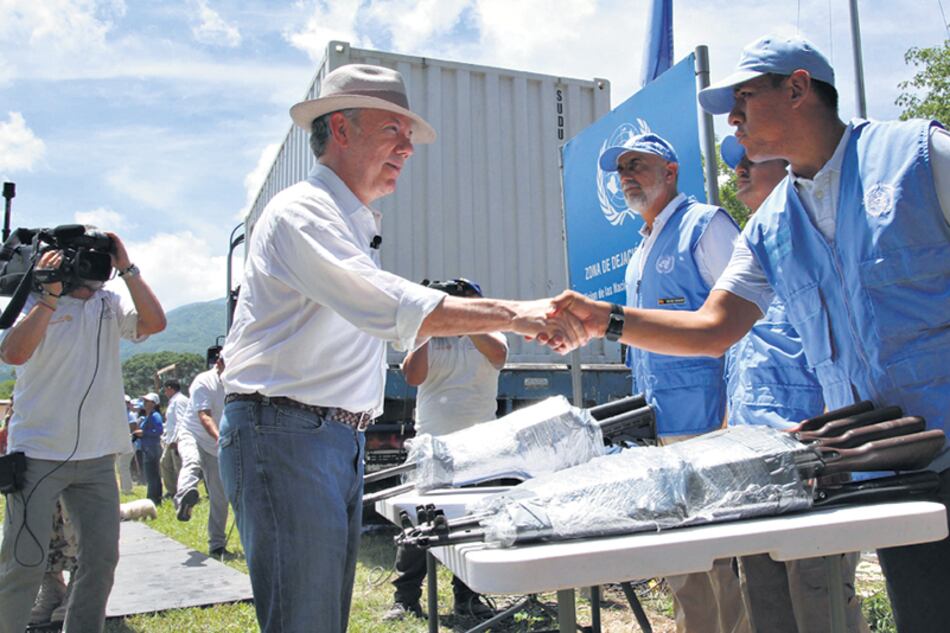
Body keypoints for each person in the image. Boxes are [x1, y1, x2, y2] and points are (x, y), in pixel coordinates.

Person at [550, 34, 950, 633]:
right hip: (896, 467)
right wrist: (607, 319)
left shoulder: (918, 156)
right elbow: (714, 328)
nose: (732, 119)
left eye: (743, 98)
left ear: (798, 89)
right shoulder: (771, 223)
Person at [218, 63, 582, 633]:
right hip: (287, 433)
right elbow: (385, 302)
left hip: (322, 435)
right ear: (341, 128)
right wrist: (517, 314)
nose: (408, 148)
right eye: (394, 129)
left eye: (408, 135)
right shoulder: (302, 212)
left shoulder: (349, 222)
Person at [597, 132, 746, 633]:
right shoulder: (642, 247)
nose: (627, 176)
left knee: (723, 557)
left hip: (711, 426)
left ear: (671, 170)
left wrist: (733, 417)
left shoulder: (704, 226)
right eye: (621, 169)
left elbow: (748, 320)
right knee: (683, 559)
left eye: (637, 164)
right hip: (661, 430)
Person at [720, 135, 869, 633]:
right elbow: (742, 367)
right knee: (763, 596)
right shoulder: (752, 255)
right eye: (736, 164)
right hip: (751, 463)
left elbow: (846, 350)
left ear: (788, 167)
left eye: (751, 160)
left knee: (819, 597)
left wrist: (826, 446)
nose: (739, 171)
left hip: (810, 460)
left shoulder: (819, 247)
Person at [0, 233, 165, 633]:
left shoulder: (109, 303)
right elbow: (13, 353)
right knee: (24, 560)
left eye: (100, 260)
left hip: (97, 456)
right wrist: (50, 297)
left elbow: (155, 323)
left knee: (101, 560)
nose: (94, 270)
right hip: (38, 452)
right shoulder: (35, 301)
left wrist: (127, 268)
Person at [385, 278, 507, 621]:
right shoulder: (428, 335)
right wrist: (429, 324)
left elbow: (499, 356)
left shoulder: (491, 331)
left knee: (474, 523)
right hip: (432, 446)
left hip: (480, 447)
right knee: (417, 523)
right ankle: (405, 598)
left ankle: (468, 597)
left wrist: (465, 320)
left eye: (466, 300)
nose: (460, 305)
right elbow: (413, 376)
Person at [175, 357, 229, 558]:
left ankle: (217, 545)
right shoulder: (203, 381)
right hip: (192, 434)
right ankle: (185, 498)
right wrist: (220, 438)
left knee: (220, 497)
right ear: (219, 363)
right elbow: (204, 416)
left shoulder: (236, 383)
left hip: (215, 446)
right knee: (192, 462)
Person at [134, 392, 164, 505]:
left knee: (152, 474)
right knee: (151, 474)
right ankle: (154, 497)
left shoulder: (155, 416)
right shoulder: (149, 416)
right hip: (148, 447)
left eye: (147, 401)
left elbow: (159, 431)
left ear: (154, 403)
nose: (144, 403)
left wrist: (144, 433)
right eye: (144, 401)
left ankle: (154, 498)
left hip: (152, 448)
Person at [160, 378, 187, 499]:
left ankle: (184, 491)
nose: (165, 393)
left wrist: (177, 440)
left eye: (165, 390)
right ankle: (172, 491)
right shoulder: (174, 401)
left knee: (179, 466)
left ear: (170, 388)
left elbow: (181, 420)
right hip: (170, 439)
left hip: (176, 439)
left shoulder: (179, 401)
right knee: (165, 464)